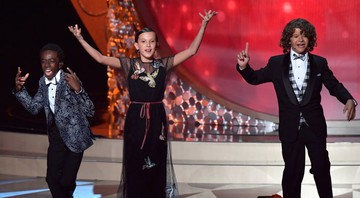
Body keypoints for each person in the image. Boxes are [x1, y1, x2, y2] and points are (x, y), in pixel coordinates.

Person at [69, 9, 217, 198]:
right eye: (143, 41)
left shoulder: (163, 65)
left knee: (156, 158)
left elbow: (191, 51)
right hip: (136, 117)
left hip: (157, 117)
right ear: (137, 45)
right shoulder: (129, 65)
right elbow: (100, 58)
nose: (148, 45)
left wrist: (203, 24)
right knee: (136, 158)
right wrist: (81, 39)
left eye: (151, 41)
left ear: (156, 45)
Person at [236, 18, 357, 198]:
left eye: (304, 35)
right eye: (295, 36)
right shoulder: (276, 63)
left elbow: (334, 85)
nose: (300, 39)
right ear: (289, 40)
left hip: (314, 127)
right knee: (292, 173)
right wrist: (244, 67)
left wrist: (348, 99)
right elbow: (255, 78)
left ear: (310, 39)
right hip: (290, 127)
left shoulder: (320, 63)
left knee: (322, 168)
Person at [13, 43, 95, 198]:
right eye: (43, 61)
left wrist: (79, 89)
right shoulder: (42, 82)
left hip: (75, 136)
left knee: (66, 182)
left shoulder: (69, 80)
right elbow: (33, 107)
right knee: (51, 179)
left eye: (51, 61)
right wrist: (19, 90)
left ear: (60, 63)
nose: (47, 65)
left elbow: (90, 110)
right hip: (56, 136)